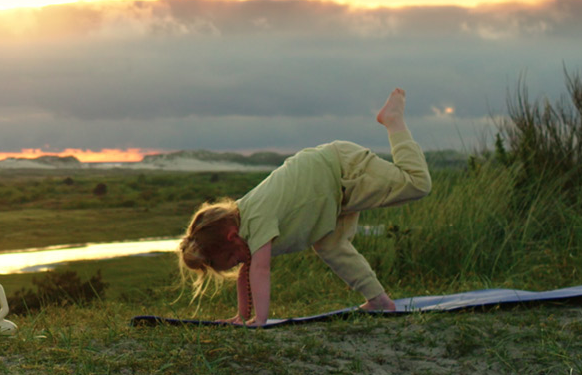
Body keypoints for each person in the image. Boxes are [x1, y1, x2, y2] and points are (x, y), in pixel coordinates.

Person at [177, 88, 432, 327]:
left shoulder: (255, 219)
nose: (239, 262)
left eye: (232, 258)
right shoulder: (237, 226)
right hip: (329, 198)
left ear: (231, 236)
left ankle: (393, 120)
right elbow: (247, 272)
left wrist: (260, 321)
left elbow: (260, 270)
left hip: (341, 168)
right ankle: (378, 300)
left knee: (416, 183)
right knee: (331, 246)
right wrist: (242, 317)